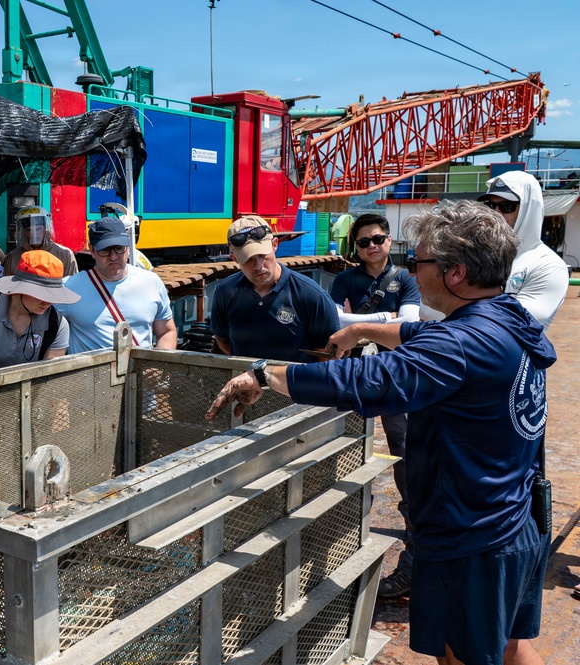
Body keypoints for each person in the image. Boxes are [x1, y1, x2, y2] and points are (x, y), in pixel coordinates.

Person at [208, 200, 553, 665]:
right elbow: (423, 337)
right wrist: (365, 331)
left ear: (455, 273)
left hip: (471, 537)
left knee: (461, 655)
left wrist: (265, 374)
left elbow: (364, 380)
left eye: (418, 261)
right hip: (516, 518)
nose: (412, 270)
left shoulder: (459, 345)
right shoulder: (507, 317)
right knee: (511, 643)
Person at [328, 213, 420, 598]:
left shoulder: (406, 279)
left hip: (396, 378)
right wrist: (385, 318)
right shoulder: (344, 279)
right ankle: (343, 533)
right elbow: (334, 318)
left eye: (378, 239)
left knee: (405, 452)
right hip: (356, 375)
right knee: (346, 449)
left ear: (389, 240)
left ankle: (414, 533)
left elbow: (408, 325)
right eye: (364, 241)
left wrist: (359, 323)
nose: (372, 246)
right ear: (356, 246)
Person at [211, 215, 339, 363]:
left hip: (295, 378)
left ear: (275, 244)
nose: (258, 266)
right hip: (243, 377)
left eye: (262, 255)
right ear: (234, 258)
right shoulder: (225, 292)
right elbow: (222, 339)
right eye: (248, 259)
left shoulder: (312, 296)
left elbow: (326, 356)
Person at [56, 217, 176, 352]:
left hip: (141, 366)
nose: (113, 257)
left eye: (119, 248)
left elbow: (167, 332)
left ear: (128, 247)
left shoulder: (152, 282)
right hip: (92, 367)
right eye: (105, 250)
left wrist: (158, 363)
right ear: (92, 250)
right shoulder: (69, 288)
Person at [0, 250, 76, 375]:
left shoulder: (57, 325)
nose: (48, 302)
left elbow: (49, 380)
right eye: (41, 294)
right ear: (21, 288)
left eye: (52, 295)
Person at [478, 171, 569, 329]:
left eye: (506, 206)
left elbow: (515, 324)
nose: (496, 213)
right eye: (491, 205)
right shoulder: (478, 254)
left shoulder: (548, 265)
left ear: (529, 209)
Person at [2, 206, 78, 278]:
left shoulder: (65, 254)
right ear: (23, 232)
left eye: (38, 229)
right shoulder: (12, 258)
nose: (34, 234)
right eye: (29, 230)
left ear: (45, 229)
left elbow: (72, 284)